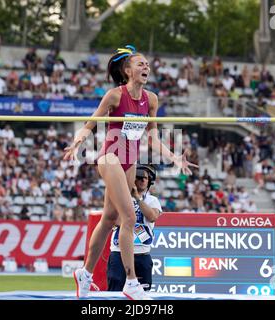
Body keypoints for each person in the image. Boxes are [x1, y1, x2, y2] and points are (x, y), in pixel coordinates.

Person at [64, 45, 197, 300]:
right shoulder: (115, 96)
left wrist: (174, 157)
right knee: (128, 218)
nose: (146, 67)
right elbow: (90, 123)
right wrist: (77, 143)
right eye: (140, 64)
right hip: (110, 158)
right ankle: (132, 282)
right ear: (127, 70)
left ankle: (85, 274)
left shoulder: (152, 100)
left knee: (109, 219)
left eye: (147, 64)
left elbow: (152, 140)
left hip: (130, 162)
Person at [107, 164, 161, 292]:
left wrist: (137, 198)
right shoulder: (119, 198)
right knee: (115, 292)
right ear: (132, 179)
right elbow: (115, 221)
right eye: (139, 177)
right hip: (119, 252)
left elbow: (152, 216)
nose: (142, 180)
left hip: (142, 253)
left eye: (145, 178)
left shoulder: (153, 200)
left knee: (142, 293)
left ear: (149, 182)